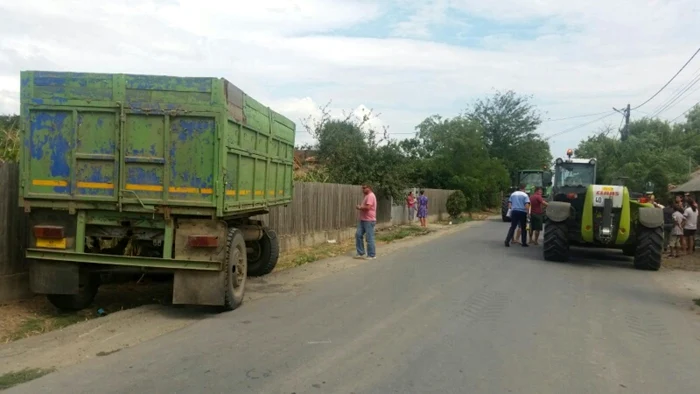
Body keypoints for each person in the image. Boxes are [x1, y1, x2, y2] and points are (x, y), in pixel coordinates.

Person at [355, 184, 377, 260]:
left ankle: (371, 255)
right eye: (362, 188)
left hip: (369, 220)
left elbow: (368, 207)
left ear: (369, 188)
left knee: (369, 237)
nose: (363, 190)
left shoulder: (371, 196)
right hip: (363, 220)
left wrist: (360, 207)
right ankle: (360, 253)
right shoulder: (367, 196)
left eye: (365, 188)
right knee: (358, 234)